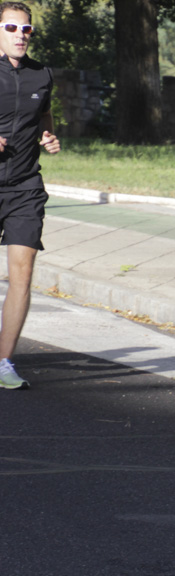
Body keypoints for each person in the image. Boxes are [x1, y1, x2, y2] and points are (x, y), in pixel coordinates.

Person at [0, 1, 60, 390]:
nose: (20, 35)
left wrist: (49, 135)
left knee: (23, 271)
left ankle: (4, 361)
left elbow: (43, 115)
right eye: (11, 28)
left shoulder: (42, 75)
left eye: (27, 29)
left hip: (24, 186)